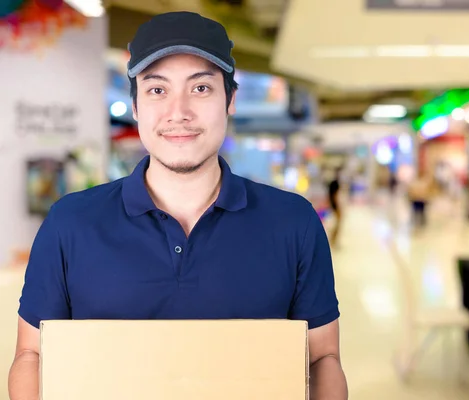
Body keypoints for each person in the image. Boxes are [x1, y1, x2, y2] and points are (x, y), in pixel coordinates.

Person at [9, 11, 347, 400]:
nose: (178, 112)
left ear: (230, 100)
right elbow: (33, 354)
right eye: (157, 90)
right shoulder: (69, 223)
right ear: (135, 106)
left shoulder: (293, 222)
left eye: (201, 88)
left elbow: (322, 359)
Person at [328, 167, 343, 248]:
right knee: (337, 224)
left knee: (336, 223)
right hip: (335, 205)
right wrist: (338, 206)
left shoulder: (333, 183)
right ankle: (333, 240)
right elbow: (335, 196)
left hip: (333, 205)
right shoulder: (335, 183)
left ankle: (333, 240)